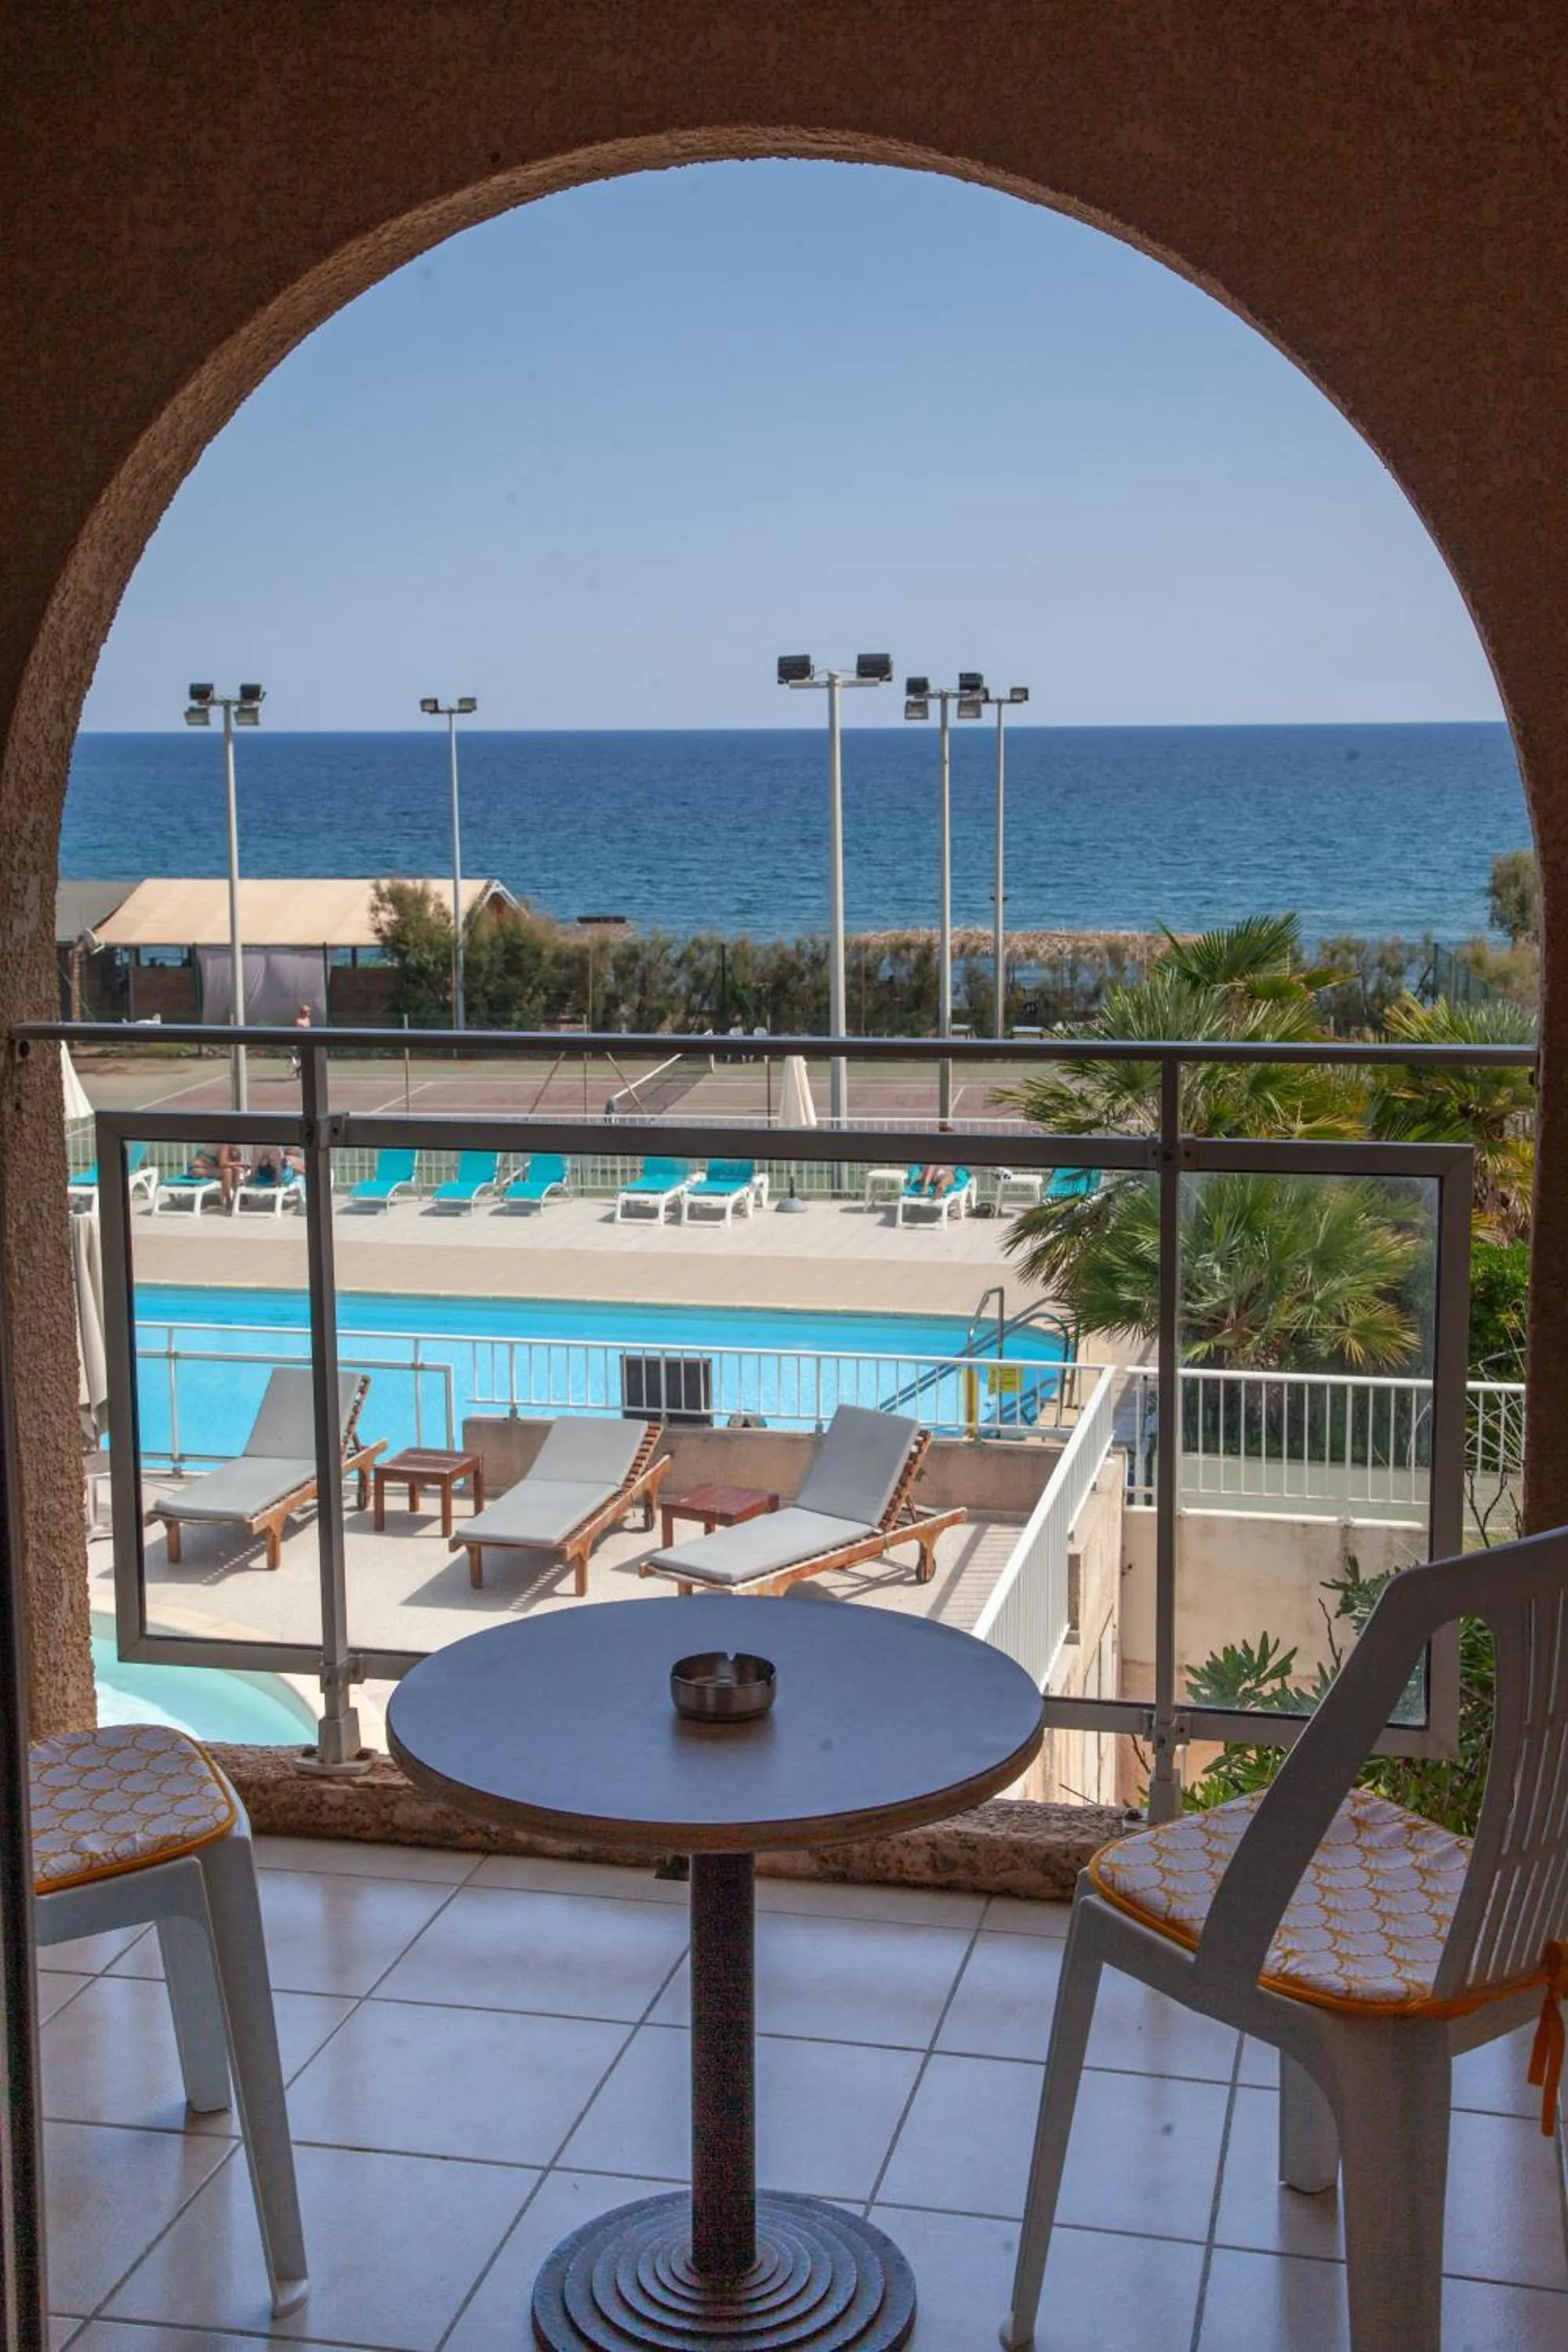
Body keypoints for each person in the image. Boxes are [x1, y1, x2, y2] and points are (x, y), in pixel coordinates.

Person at [189, 1142, 248, 1210]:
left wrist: (241, 1166)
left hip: (211, 1169)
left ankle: (236, 1196)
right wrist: (241, 1163)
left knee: (235, 1170)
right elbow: (223, 1163)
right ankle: (228, 1200)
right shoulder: (225, 1146)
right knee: (227, 1171)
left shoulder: (236, 1150)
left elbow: (233, 1165)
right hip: (197, 1169)